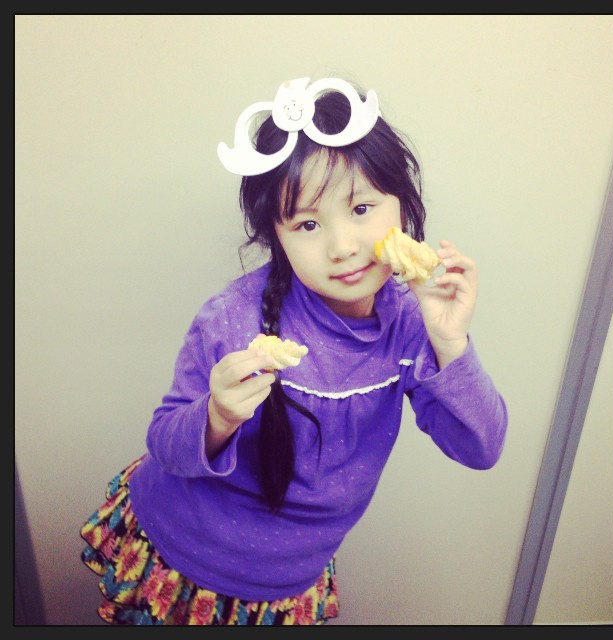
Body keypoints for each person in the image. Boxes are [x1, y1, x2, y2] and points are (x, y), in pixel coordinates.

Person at [80, 75, 508, 626]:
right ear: (276, 237)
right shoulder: (232, 319)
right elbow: (164, 443)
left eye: (361, 208)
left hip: (289, 580)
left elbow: (480, 448)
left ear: (403, 204)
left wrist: (451, 343)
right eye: (307, 223)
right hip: (178, 553)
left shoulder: (410, 325)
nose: (342, 247)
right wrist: (217, 417)